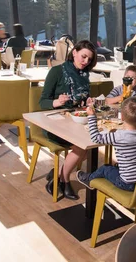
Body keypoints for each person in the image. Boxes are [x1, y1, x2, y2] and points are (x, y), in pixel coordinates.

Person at [39, 40, 98, 200]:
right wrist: (57, 102)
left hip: (75, 122)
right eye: (83, 57)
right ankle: (64, 181)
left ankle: (57, 174)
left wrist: (87, 102)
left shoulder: (84, 75)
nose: (85, 62)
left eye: (89, 59)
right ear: (74, 53)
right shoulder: (57, 72)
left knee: (90, 144)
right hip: (55, 124)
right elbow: (42, 101)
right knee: (82, 148)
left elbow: (82, 99)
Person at [76, 97, 136, 191]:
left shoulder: (118, 136)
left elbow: (96, 138)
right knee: (115, 166)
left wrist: (91, 117)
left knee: (105, 168)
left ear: (122, 117)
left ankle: (89, 179)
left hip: (125, 183)